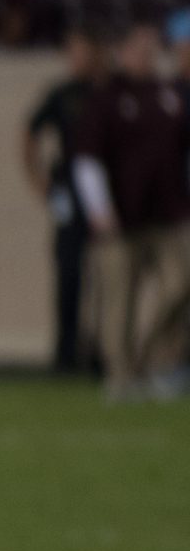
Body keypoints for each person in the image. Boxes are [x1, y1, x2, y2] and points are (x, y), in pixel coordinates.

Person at [72, 22, 190, 399]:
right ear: (121, 52)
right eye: (139, 48)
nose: (147, 55)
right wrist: (99, 208)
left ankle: (154, 359)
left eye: (152, 48)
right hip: (121, 216)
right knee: (119, 300)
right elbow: (87, 159)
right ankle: (120, 374)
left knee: (181, 284)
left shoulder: (171, 95)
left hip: (169, 214)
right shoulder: (105, 98)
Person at [22, 31, 104, 376]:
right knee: (68, 269)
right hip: (67, 193)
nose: (75, 59)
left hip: (104, 196)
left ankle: (99, 349)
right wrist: (38, 181)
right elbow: (29, 132)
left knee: (103, 274)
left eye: (81, 51)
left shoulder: (108, 91)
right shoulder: (61, 94)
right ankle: (65, 351)